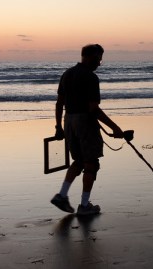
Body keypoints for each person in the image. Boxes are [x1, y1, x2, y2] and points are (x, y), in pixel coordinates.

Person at [51, 44, 124, 215]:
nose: (99, 63)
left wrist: (58, 126)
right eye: (98, 59)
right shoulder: (90, 78)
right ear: (89, 57)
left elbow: (59, 103)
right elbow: (93, 109)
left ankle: (62, 195)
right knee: (91, 163)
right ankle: (84, 206)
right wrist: (115, 128)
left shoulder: (67, 74)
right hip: (84, 122)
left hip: (68, 120)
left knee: (79, 161)